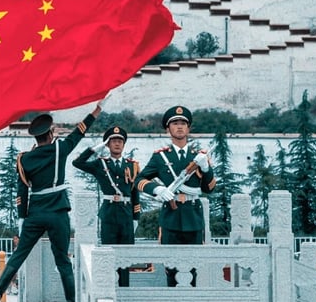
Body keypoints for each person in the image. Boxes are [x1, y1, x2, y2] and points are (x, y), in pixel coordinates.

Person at [0, 104, 101, 302]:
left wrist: (22, 218)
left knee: (19, 255)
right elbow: (79, 132)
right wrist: (95, 112)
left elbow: (22, 191)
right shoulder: (59, 149)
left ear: (36, 138)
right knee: (62, 259)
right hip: (58, 212)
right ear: (50, 134)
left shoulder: (24, 159)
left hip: (35, 213)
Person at [137, 105, 216, 287]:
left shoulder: (198, 157)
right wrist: (157, 189)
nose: (179, 126)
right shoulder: (160, 157)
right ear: (168, 129)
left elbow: (209, 188)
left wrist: (206, 168)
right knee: (171, 267)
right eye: (175, 123)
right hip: (171, 217)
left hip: (193, 217)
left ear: (188, 128)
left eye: (183, 123)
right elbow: (139, 180)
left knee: (193, 267)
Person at [73, 124, 141, 286]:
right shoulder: (100, 164)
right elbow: (78, 162)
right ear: (108, 144)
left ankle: (124, 289)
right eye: (113, 141)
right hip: (109, 213)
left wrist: (136, 217)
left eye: (120, 141)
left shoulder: (132, 165)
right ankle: (108, 288)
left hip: (126, 213)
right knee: (107, 253)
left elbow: (135, 192)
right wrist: (96, 148)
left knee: (125, 257)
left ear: (124, 144)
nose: (117, 144)